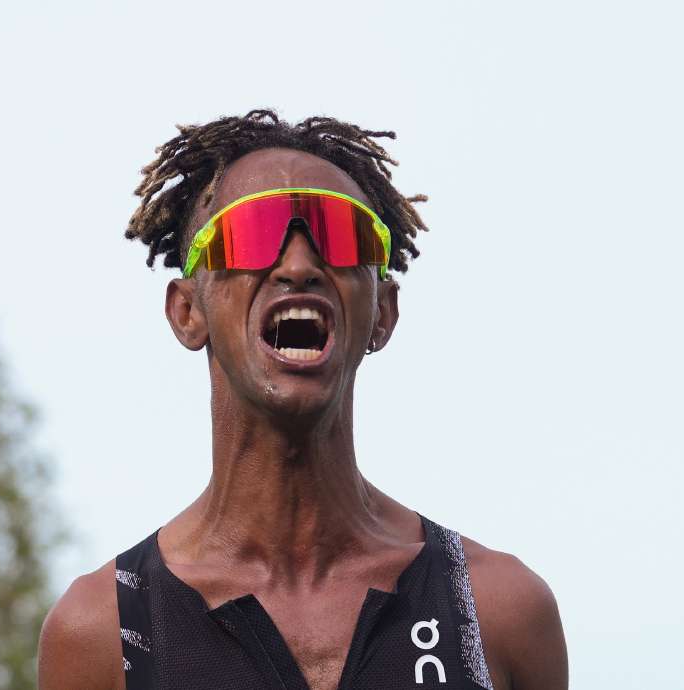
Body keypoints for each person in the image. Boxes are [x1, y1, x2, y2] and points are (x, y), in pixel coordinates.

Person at [38, 110, 568, 690]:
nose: (298, 265)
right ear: (188, 311)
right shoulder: (103, 632)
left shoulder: (499, 611)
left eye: (342, 234)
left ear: (382, 314)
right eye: (251, 233)